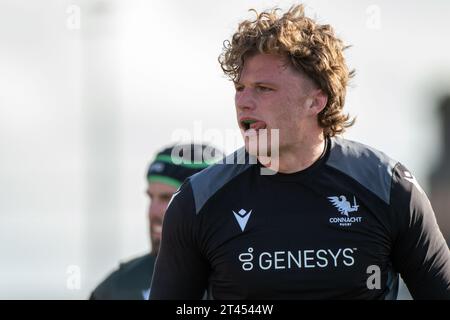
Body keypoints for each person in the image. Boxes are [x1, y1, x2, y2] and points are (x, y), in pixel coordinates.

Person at [150, 5, 450, 300]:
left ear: (315, 101)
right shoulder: (197, 201)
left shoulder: (390, 187)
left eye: (263, 88)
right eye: (240, 87)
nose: (243, 101)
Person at [89, 143, 223, 300]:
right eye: (151, 198)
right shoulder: (118, 288)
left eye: (167, 198)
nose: (152, 212)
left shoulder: (248, 279)